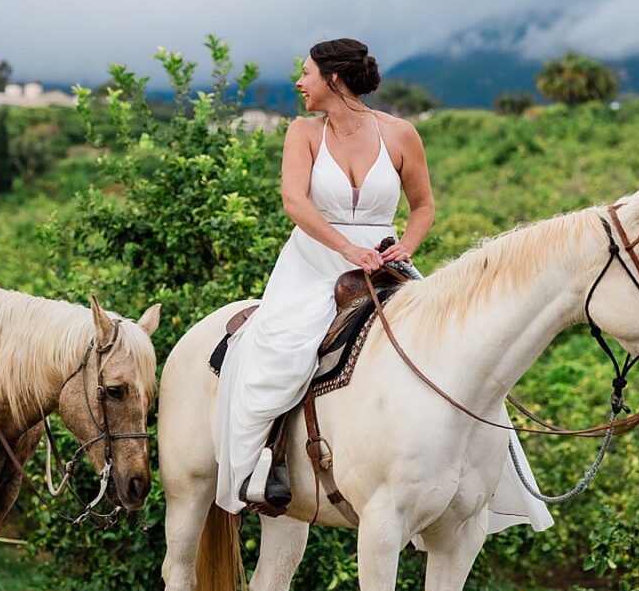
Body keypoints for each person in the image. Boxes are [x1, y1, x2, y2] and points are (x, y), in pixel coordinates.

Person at [213, 39, 551, 536]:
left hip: (383, 261)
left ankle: (477, 469)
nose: (298, 83)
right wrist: (346, 250)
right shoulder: (303, 132)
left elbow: (423, 206)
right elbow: (294, 201)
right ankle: (266, 463)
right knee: (279, 348)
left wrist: (406, 246)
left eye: (306, 73)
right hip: (313, 260)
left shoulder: (400, 133)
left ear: (333, 78)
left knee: (451, 347)